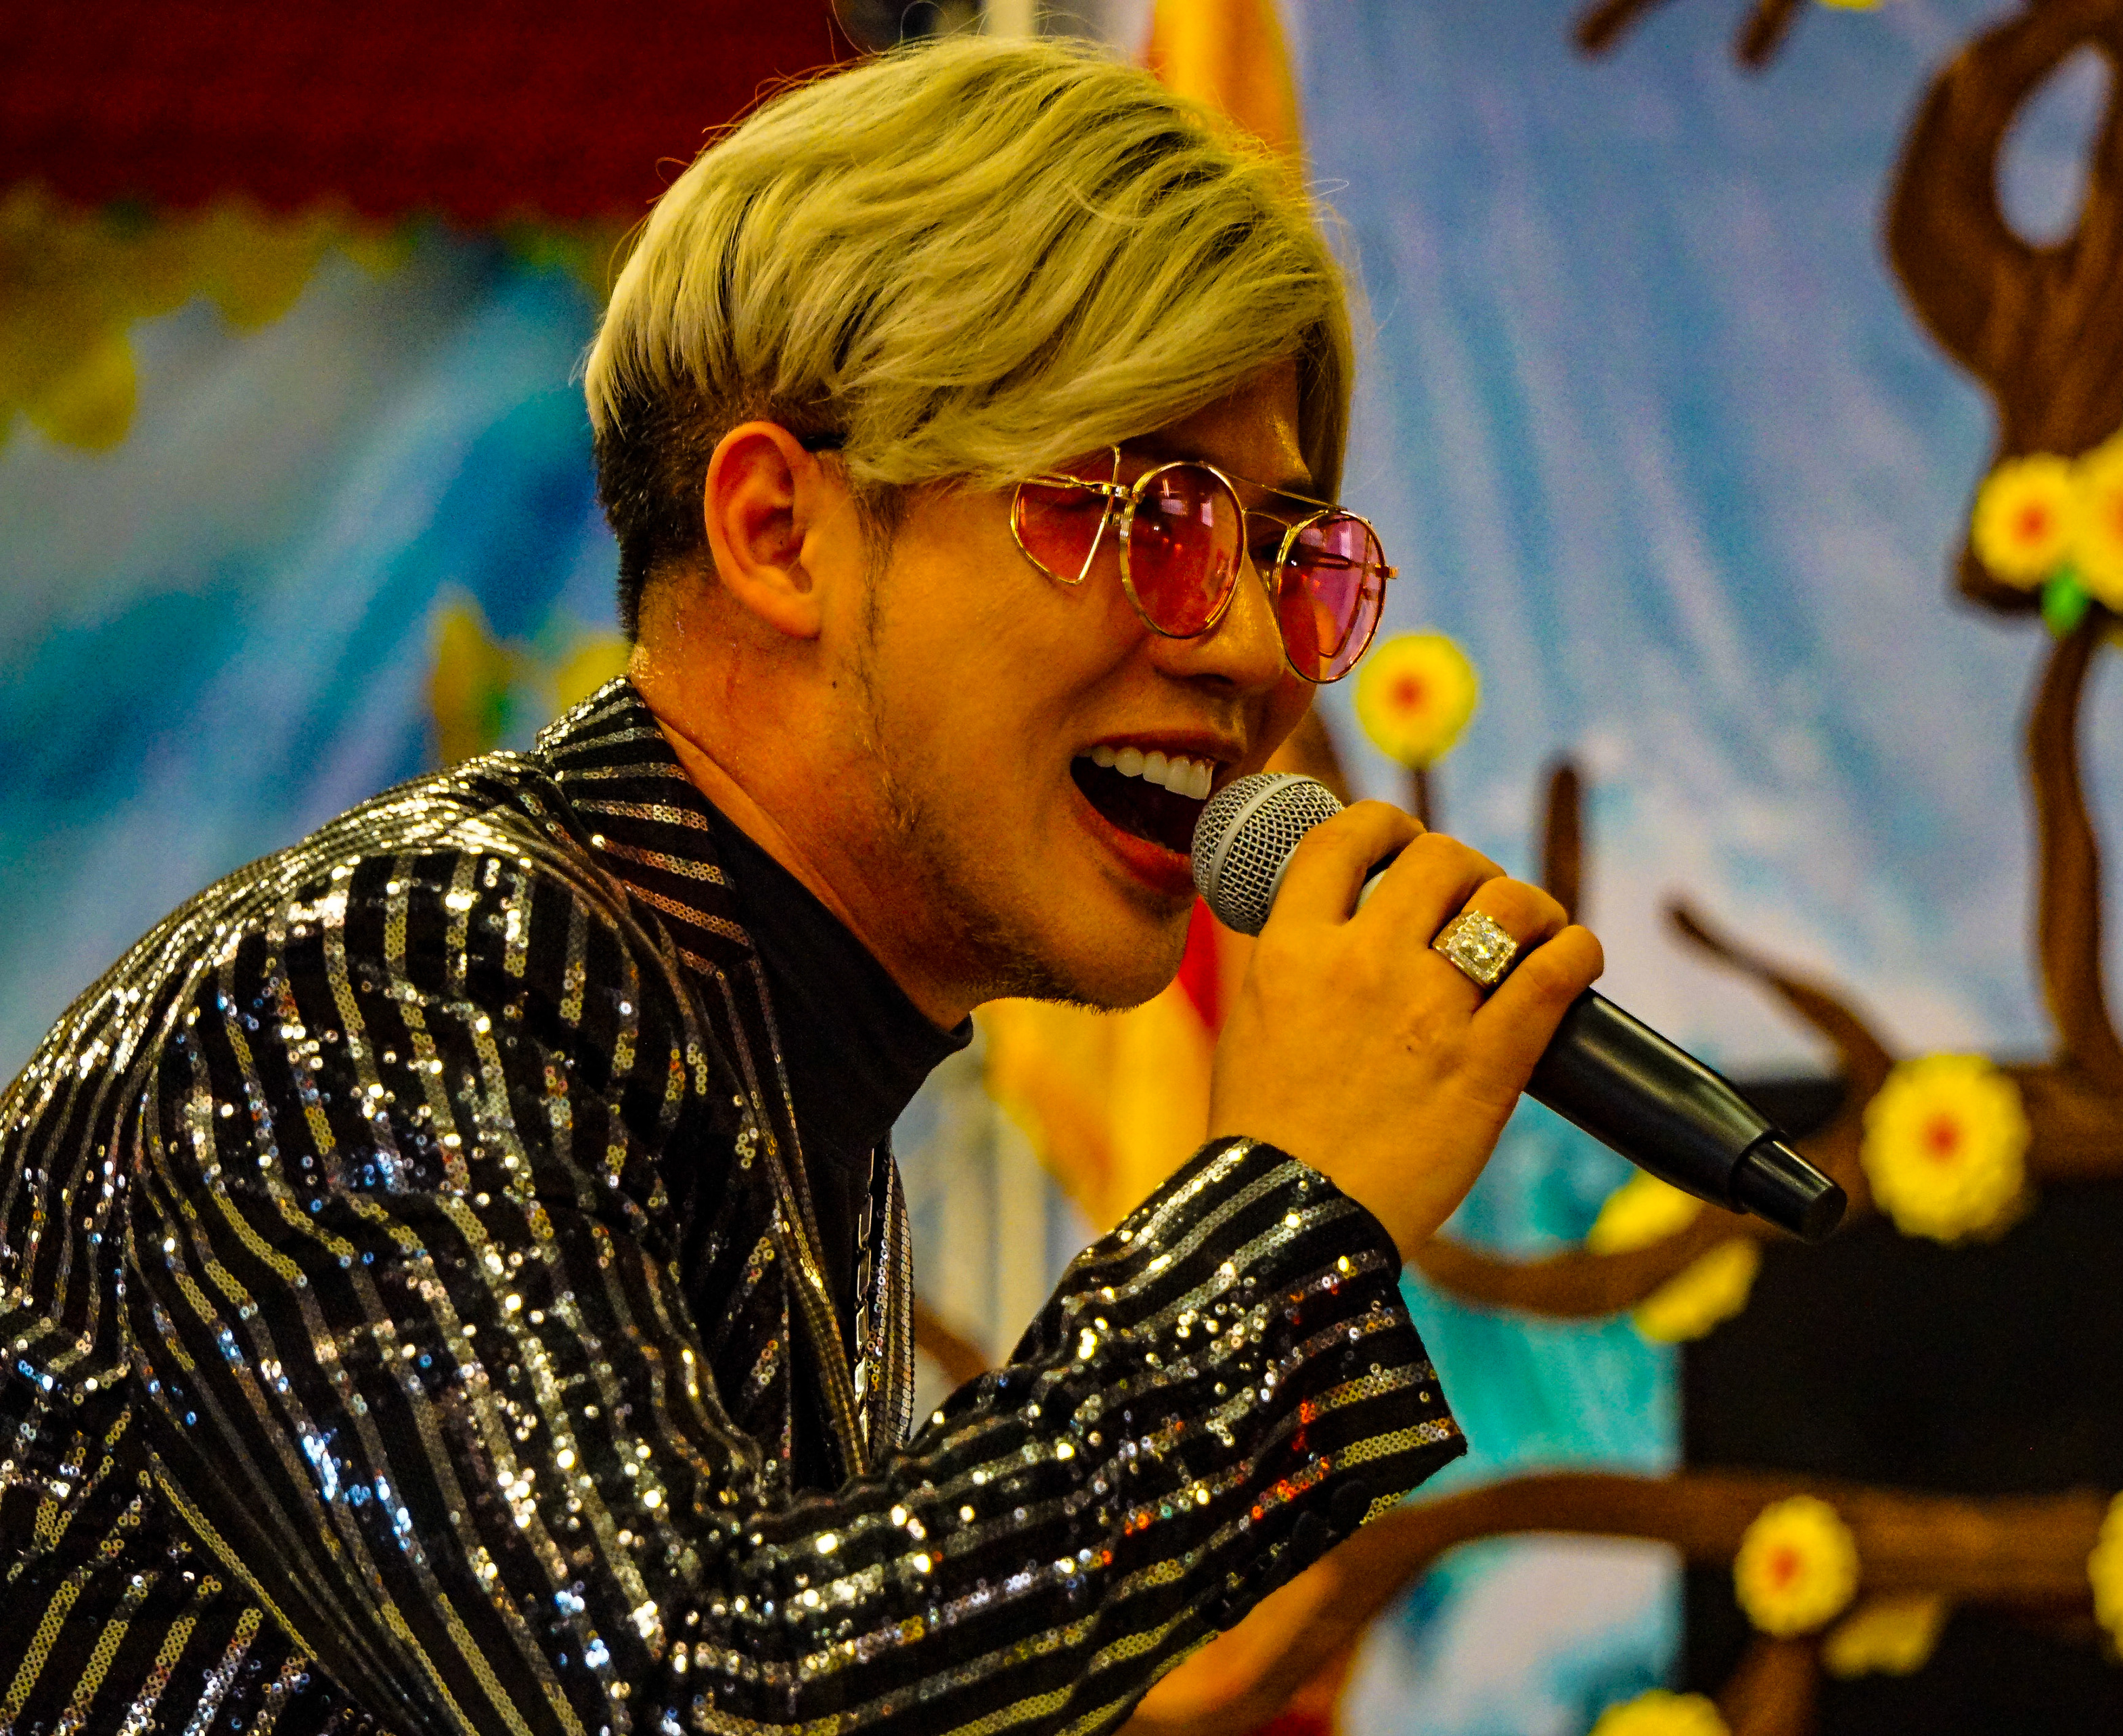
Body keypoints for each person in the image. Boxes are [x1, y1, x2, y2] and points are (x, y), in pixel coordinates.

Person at [0, 34, 1601, 1735]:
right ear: (778, 529)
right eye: (1150, 514)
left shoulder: (745, 1076)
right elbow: (687, 1699)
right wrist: (1287, 1217)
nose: (1256, 645)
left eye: (1287, 554)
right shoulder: (374, 987)